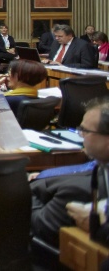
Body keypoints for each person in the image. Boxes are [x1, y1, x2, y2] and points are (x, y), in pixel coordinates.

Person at [30, 97, 109, 248]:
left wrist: (22, 186)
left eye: (85, 131)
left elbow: (40, 227)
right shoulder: (98, 168)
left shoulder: (77, 190)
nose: (80, 135)